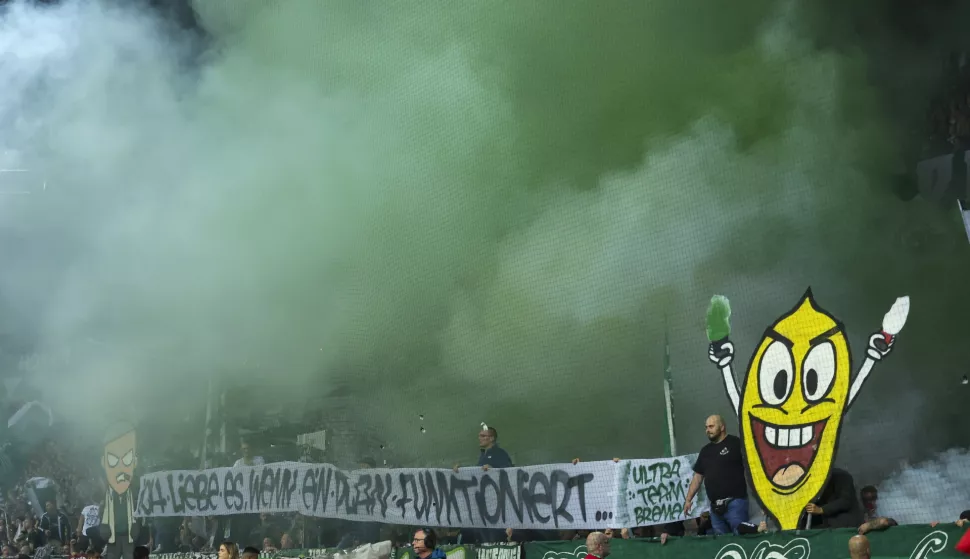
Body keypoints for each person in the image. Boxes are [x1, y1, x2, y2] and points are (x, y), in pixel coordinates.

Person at [684, 415, 749, 534]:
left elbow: (752, 469)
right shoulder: (705, 451)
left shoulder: (736, 443)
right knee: (721, 545)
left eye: (711, 426)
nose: (707, 430)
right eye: (706, 427)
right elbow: (697, 477)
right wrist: (688, 500)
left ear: (722, 427)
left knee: (741, 538)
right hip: (715, 508)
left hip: (736, 503)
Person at [100, 424, 140, 559]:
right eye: (113, 460)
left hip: (128, 535)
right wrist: (104, 527)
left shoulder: (133, 495)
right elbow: (102, 513)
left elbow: (139, 513)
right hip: (113, 536)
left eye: (127, 459)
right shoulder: (107, 497)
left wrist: (136, 527)